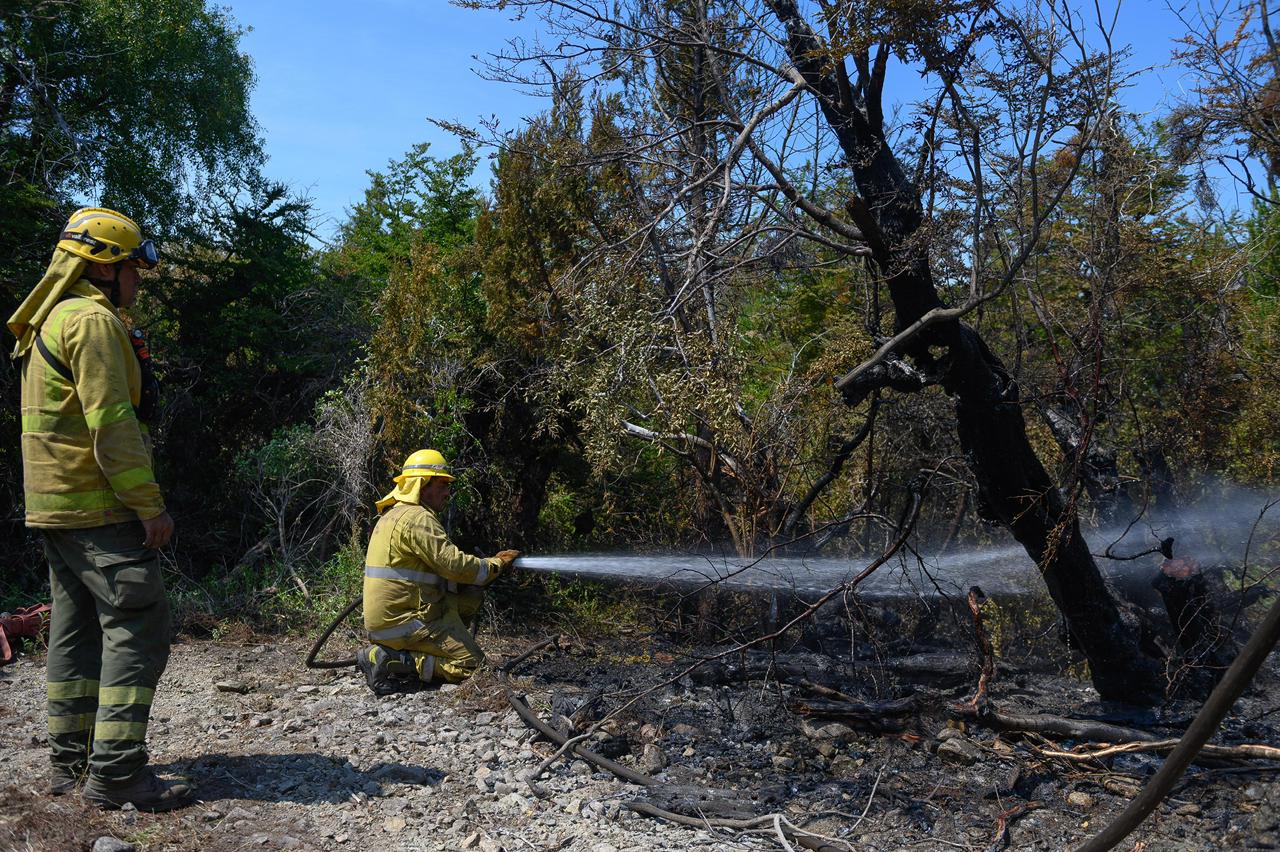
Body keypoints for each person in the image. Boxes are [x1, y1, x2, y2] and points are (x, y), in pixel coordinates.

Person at [7, 208, 190, 811]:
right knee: (138, 626)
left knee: (75, 630)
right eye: (134, 268)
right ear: (105, 268)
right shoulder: (92, 321)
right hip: (100, 509)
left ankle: (71, 764)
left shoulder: (51, 317)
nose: (138, 280)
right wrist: (149, 507)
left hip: (55, 508)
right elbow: (112, 427)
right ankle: (116, 773)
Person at [359, 449, 519, 695]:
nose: (447, 493)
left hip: (388, 623)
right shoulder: (418, 518)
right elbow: (453, 565)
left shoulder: (393, 514)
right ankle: (392, 659)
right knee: (473, 666)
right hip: (405, 624)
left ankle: (408, 652)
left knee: (471, 595)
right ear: (423, 485)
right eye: (442, 485)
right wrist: (495, 565)